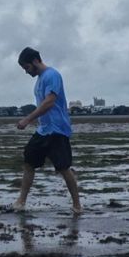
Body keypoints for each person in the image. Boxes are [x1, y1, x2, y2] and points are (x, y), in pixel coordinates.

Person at [10, 46, 83, 215]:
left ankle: (77, 206)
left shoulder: (52, 75)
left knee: (63, 168)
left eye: (26, 67)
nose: (26, 72)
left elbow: (49, 102)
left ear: (35, 61)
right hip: (43, 130)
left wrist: (28, 119)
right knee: (29, 162)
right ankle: (20, 202)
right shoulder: (40, 80)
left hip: (57, 130)